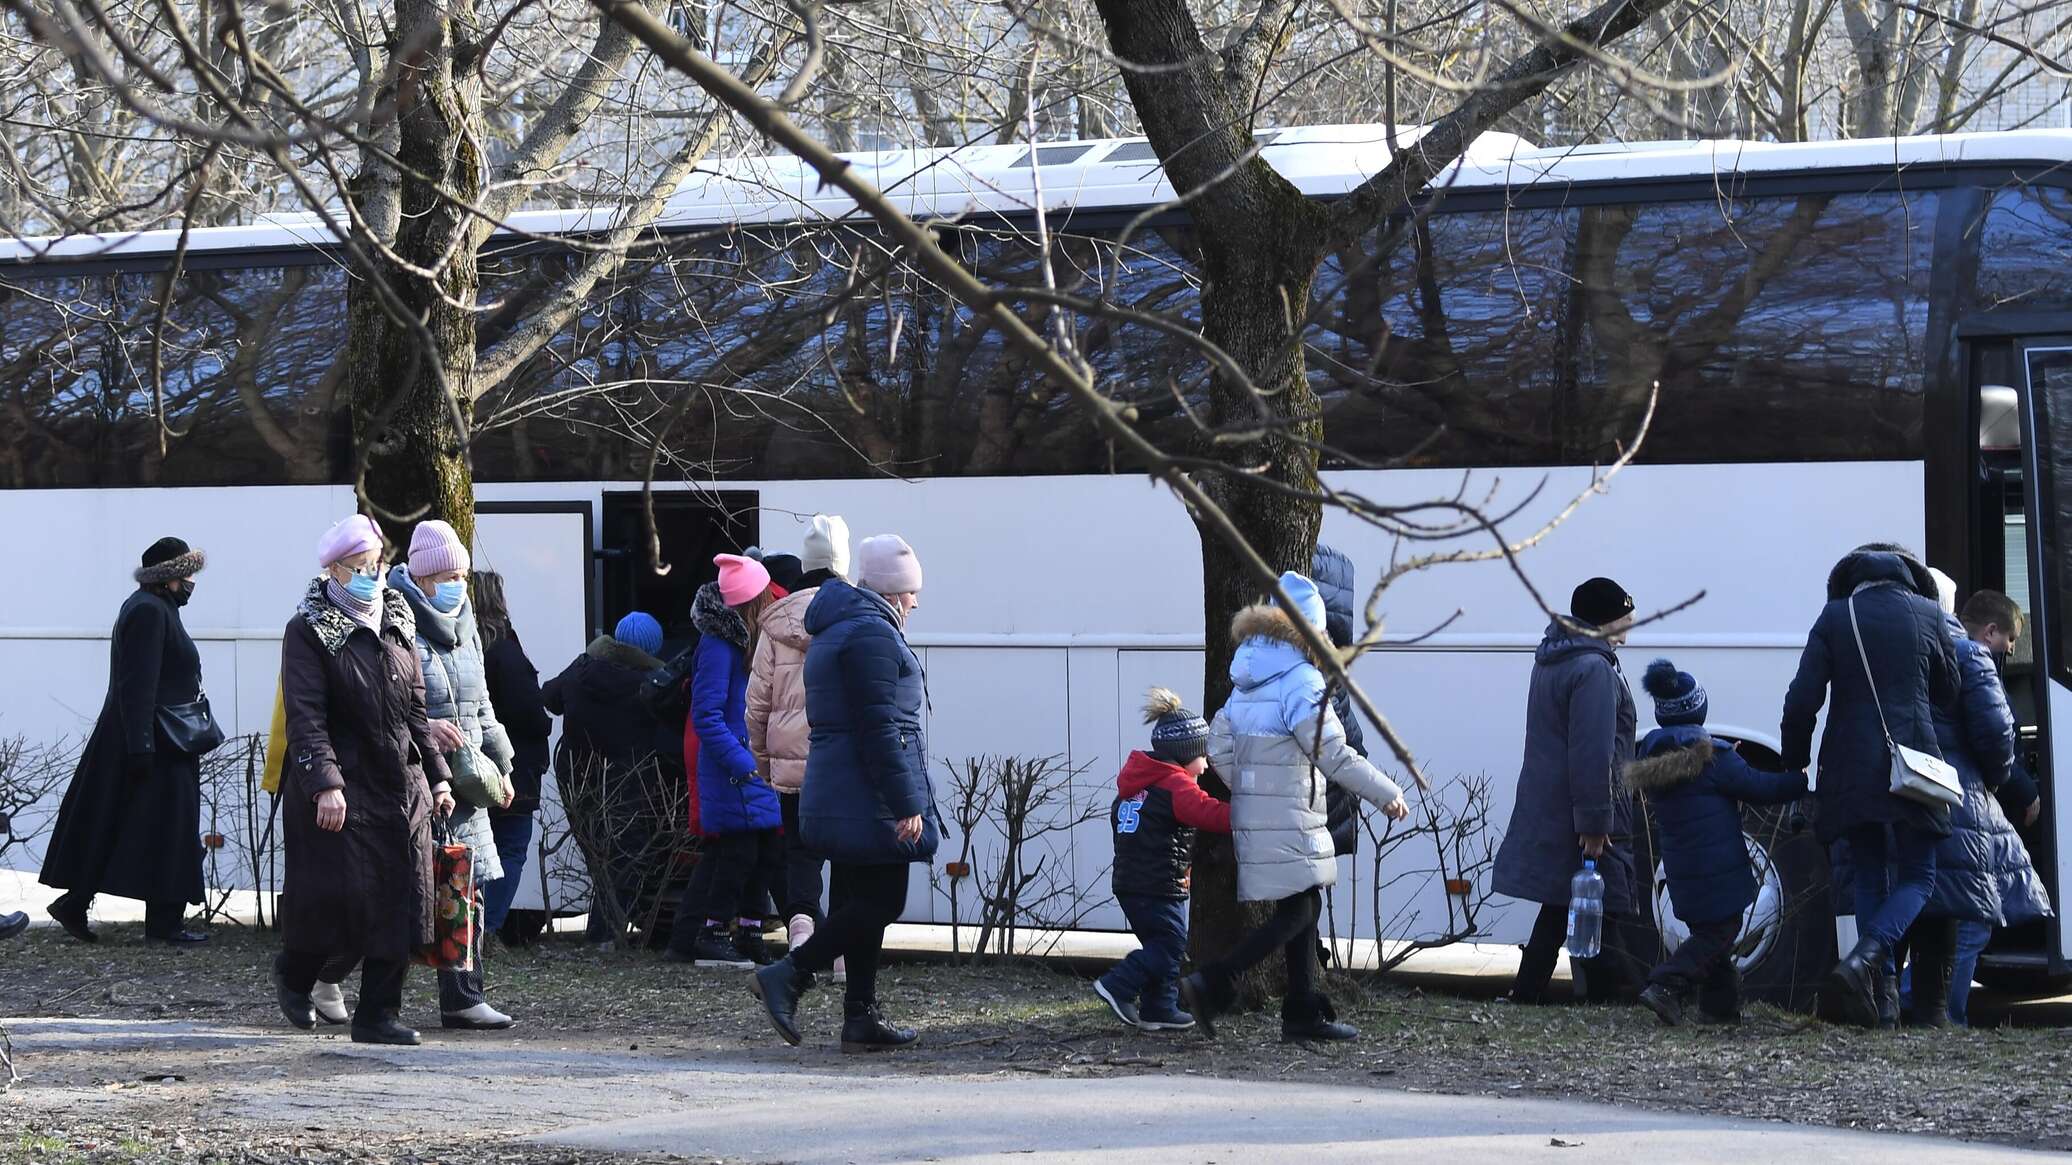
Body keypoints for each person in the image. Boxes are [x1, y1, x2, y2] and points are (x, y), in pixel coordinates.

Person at [1177, 571, 1410, 1042]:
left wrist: (1254, 787)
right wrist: (1386, 792)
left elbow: (1219, 748)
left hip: (1258, 814)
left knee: (1302, 904)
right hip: (1289, 814)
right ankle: (1214, 981)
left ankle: (1302, 1013)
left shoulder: (1246, 679)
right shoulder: (1302, 683)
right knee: (1299, 911)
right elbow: (1333, 754)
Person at [750, 534, 935, 1053]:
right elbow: (880, 726)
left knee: (859, 897)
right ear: (892, 590)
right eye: (911, 591)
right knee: (881, 900)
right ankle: (790, 974)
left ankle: (860, 1016)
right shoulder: (871, 635)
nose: (915, 602)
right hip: (867, 790)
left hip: (842, 785)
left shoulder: (840, 628)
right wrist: (905, 802)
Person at [274, 515, 453, 1047]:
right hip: (344, 786)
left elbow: (416, 708)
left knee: (405, 897)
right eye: (358, 568)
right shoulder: (308, 629)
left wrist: (439, 778)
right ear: (332, 569)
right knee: (340, 900)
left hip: (401, 784)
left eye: (375, 565)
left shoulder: (397, 617)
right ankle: (296, 971)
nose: (370, 576)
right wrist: (325, 783)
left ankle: (377, 1014)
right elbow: (305, 714)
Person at [1781, 544, 1958, 1029]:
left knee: (1868, 872)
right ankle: (1867, 956)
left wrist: (1794, 766)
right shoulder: (1927, 614)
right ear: (1906, 578)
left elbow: (1801, 702)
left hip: (1849, 765)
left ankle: (1881, 1005)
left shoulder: (1835, 617)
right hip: (1914, 764)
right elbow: (1949, 689)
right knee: (1920, 875)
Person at [41, 536, 217, 945]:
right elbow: (137, 685)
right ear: (169, 577)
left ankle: (88, 904)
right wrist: (141, 746)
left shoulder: (154, 609)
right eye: (187, 573)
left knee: (131, 824)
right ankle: (162, 922)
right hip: (154, 742)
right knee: (161, 828)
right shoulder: (150, 612)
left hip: (155, 741)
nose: (192, 581)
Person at [1899, 582, 2053, 1027]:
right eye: (2010, 639)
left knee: (1935, 909)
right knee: (1970, 915)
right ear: (1989, 631)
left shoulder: (1928, 655)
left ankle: (1914, 1002)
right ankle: (1947, 1014)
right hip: (1962, 802)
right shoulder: (1972, 659)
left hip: (1929, 795)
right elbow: (1995, 739)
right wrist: (2022, 790)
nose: (2010, 648)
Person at [388, 520, 519, 1032]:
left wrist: (503, 766)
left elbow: (483, 705)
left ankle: (463, 997)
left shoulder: (467, 630)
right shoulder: (396, 620)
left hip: (465, 780)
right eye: (447, 574)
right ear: (421, 577)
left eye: (462, 574)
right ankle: (341, 980)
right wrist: (426, 727)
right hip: (418, 778)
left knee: (470, 888)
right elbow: (388, 701)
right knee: (410, 889)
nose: (458, 584)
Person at [1627, 660, 1809, 1027]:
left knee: (1710, 936)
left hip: (1682, 868)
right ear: (1699, 709)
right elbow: (1759, 787)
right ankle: (1665, 984)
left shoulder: (1654, 758)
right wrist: (1797, 781)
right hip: (1716, 868)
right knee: (1721, 932)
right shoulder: (1714, 758)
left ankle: (1719, 1007)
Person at [1493, 578, 1641, 1005]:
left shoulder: (1556, 659)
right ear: (1602, 622)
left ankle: (1529, 994)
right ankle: (1626, 998)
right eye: (1623, 618)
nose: (1628, 627)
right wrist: (1595, 822)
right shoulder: (1593, 669)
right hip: (1585, 808)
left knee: (1563, 902)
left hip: (1556, 802)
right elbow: (1593, 751)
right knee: (1601, 900)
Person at [668, 554, 786, 968]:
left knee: (765, 849)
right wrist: (743, 762)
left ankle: (750, 931)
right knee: (739, 854)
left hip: (750, 761)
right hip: (735, 766)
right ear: (753, 601)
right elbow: (707, 715)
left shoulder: (743, 640)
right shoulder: (719, 645)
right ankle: (712, 932)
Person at [1092, 688, 1231, 1032]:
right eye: (1204, 755)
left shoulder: (1138, 785)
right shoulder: (1176, 786)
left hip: (1132, 880)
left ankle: (1159, 1006)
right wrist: (1245, 814)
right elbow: (1207, 813)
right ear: (1187, 754)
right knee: (1169, 945)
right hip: (1156, 883)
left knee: (1164, 944)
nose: (1208, 763)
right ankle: (1117, 985)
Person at [544, 612, 667, 945]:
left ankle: (603, 933)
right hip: (624, 781)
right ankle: (605, 934)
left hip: (577, 777)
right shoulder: (650, 685)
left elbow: (549, 697)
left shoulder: (581, 670)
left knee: (599, 858)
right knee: (626, 858)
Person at [475, 570, 554, 941]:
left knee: (477, 847)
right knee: (511, 846)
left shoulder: (469, 648)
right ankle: (487, 928)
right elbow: (529, 713)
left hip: (475, 767)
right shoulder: (506, 651)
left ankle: (468, 927)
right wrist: (544, 724)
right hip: (513, 767)